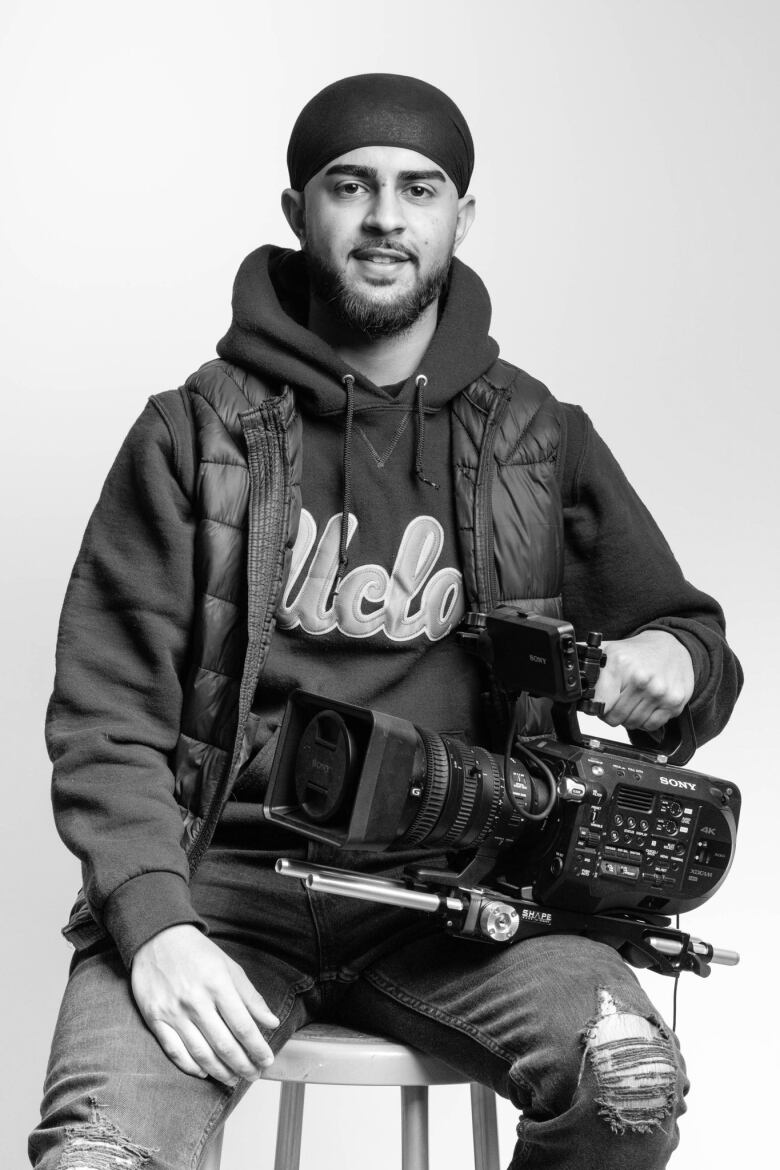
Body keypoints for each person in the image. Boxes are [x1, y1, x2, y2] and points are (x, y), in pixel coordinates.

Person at [30, 74, 742, 1170]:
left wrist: (673, 665)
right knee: (99, 1156)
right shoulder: (191, 436)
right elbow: (104, 716)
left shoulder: (540, 437)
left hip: (469, 900)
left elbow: (692, 643)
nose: (384, 217)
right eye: (348, 185)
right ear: (296, 212)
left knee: (625, 1086)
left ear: (462, 216)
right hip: (221, 884)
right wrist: (153, 920)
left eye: (420, 188)